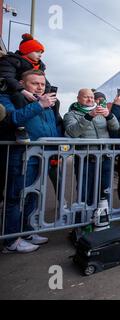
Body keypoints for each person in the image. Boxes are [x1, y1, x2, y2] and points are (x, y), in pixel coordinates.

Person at [0, 70, 59, 253]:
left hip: (43, 155)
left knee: (33, 196)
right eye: (35, 83)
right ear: (21, 83)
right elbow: (12, 119)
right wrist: (39, 105)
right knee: (16, 197)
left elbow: (52, 128)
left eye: (42, 84)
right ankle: (10, 241)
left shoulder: (46, 103)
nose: (40, 87)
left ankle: (26, 232)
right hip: (22, 155)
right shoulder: (8, 97)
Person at [64, 89, 120, 210]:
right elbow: (72, 132)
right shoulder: (71, 114)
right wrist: (89, 116)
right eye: (86, 97)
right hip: (86, 159)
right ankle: (84, 221)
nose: (90, 99)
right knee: (85, 191)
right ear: (78, 99)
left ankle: (103, 217)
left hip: (106, 157)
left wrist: (109, 115)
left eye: (91, 97)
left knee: (105, 190)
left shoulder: (102, 112)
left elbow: (116, 127)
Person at [0, 33, 51, 143]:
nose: (40, 55)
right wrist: (22, 90)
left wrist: (46, 94)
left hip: (27, 93)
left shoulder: (39, 66)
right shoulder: (10, 60)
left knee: (54, 101)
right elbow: (7, 77)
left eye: (41, 52)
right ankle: (20, 129)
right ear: (27, 50)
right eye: (37, 51)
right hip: (9, 92)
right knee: (18, 99)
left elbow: (46, 83)